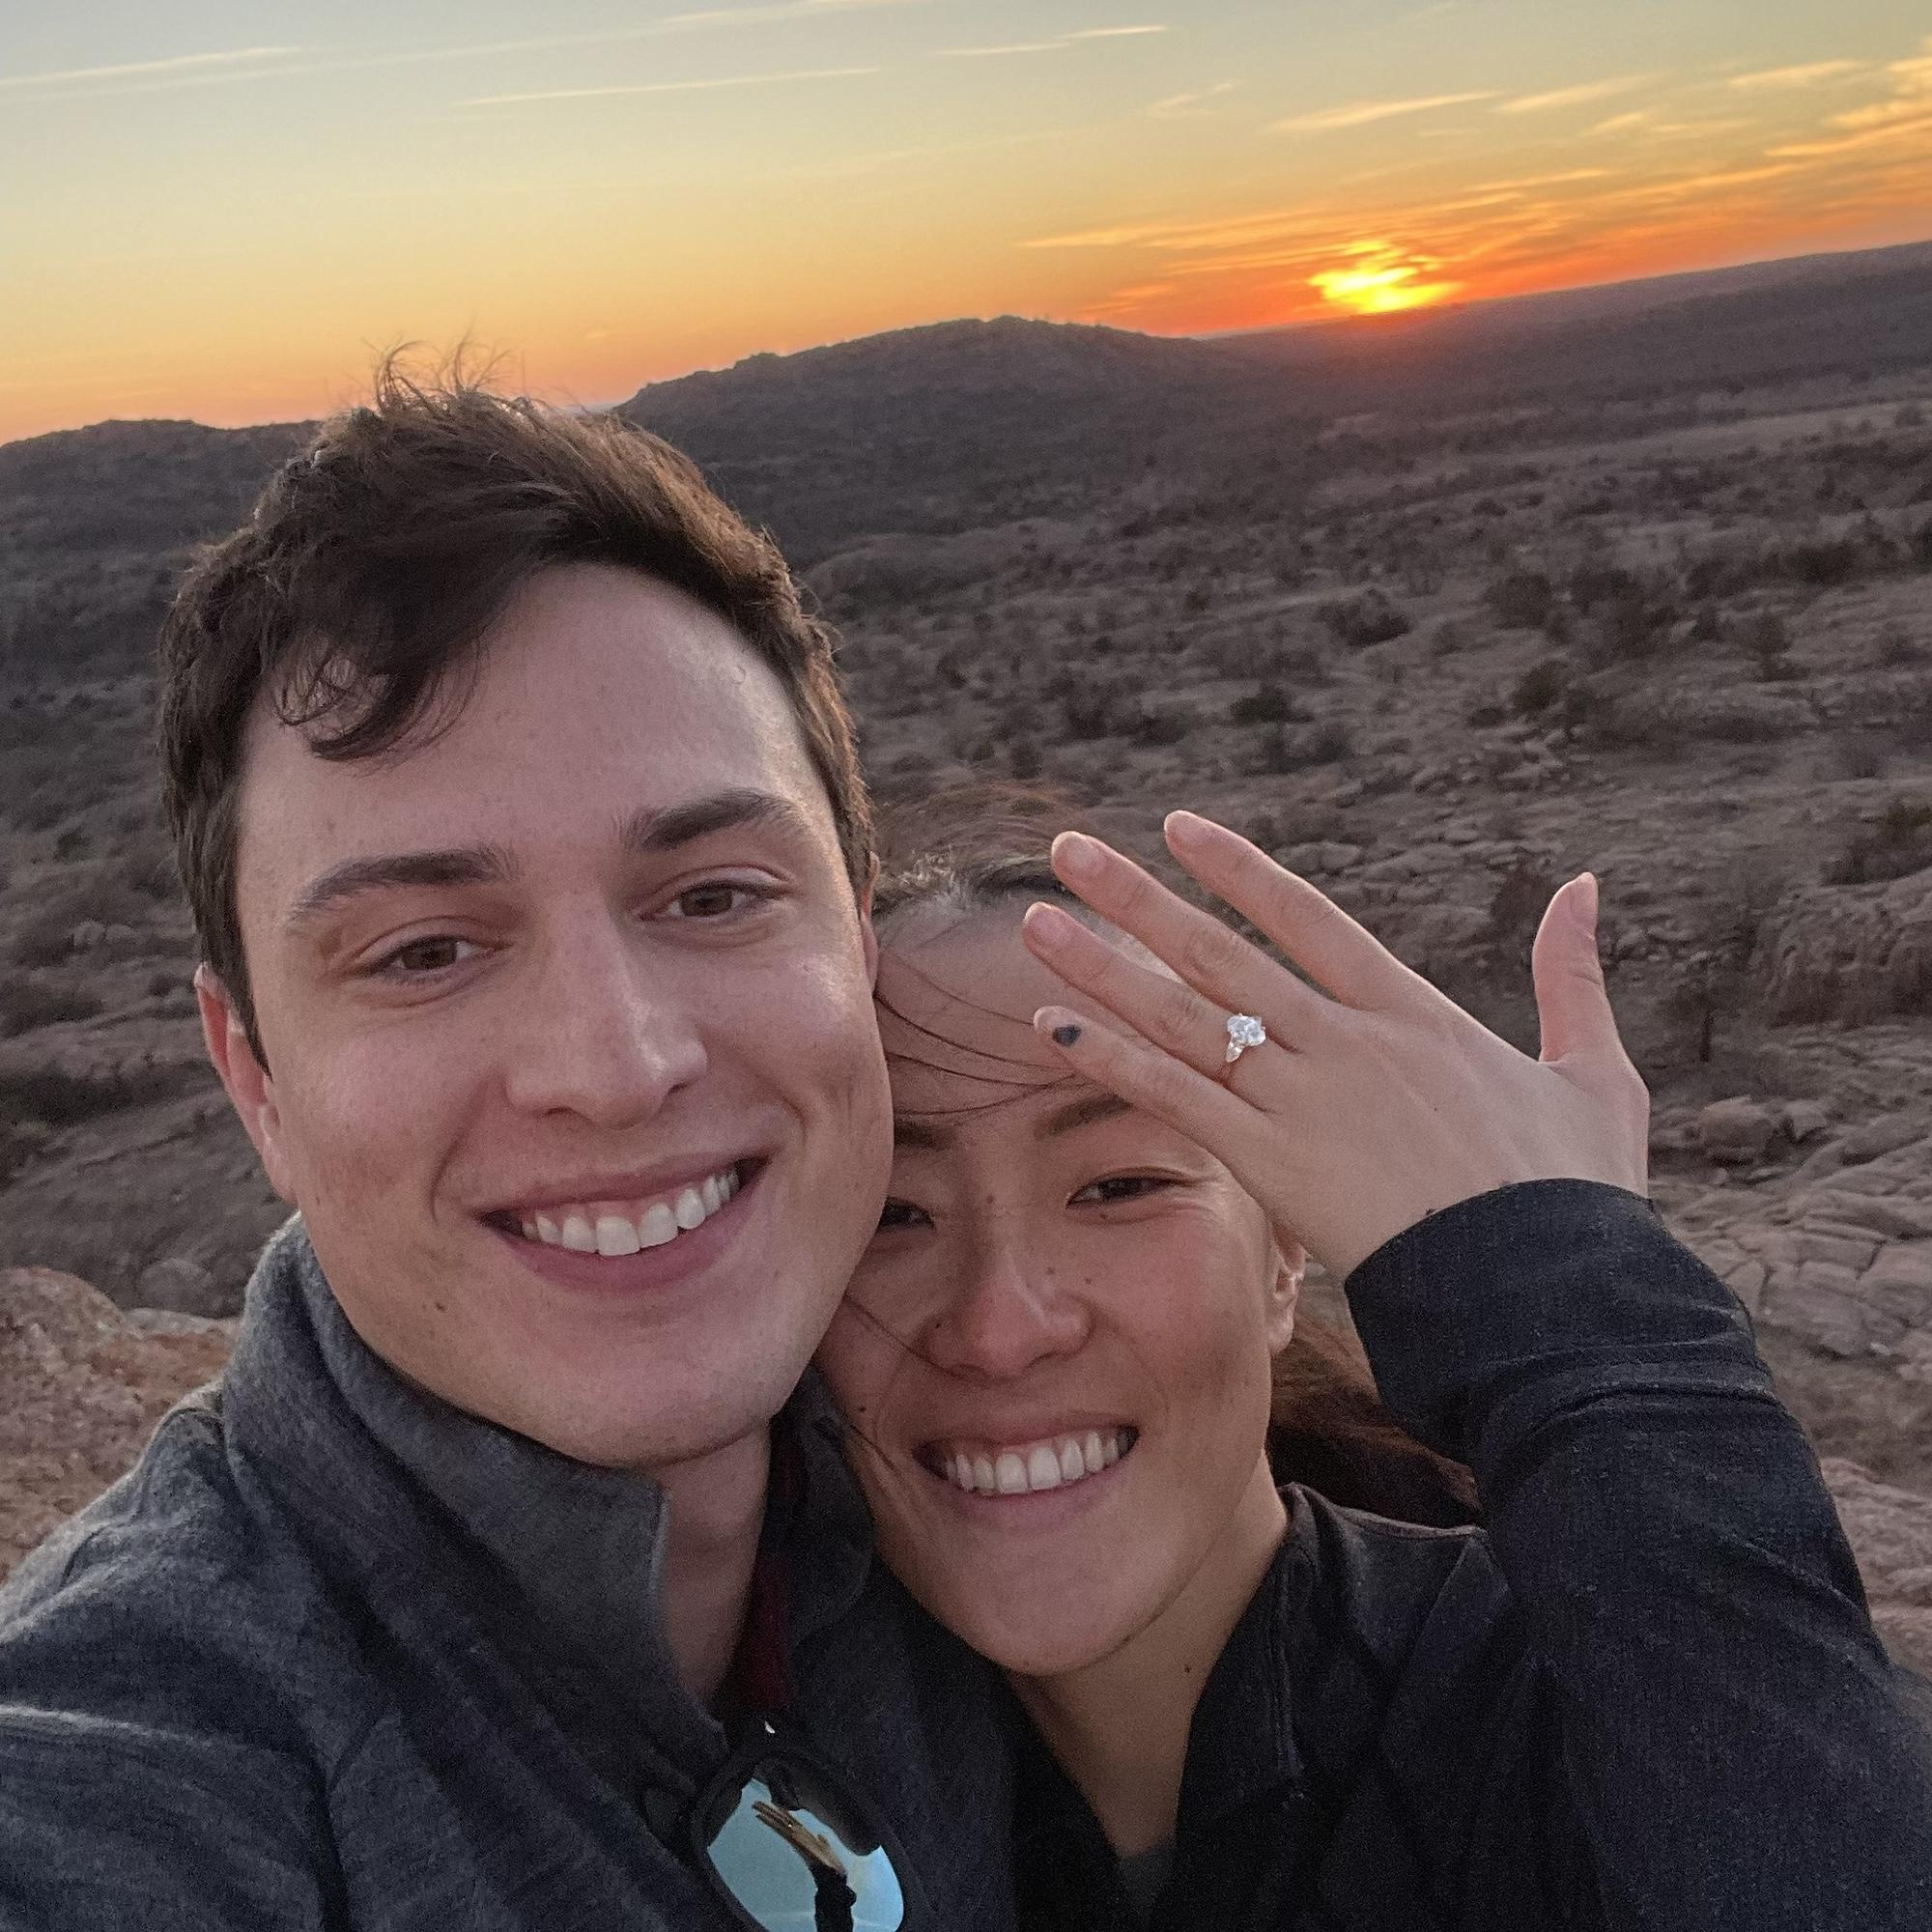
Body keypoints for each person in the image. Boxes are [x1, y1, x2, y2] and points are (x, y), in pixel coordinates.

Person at [0, 377, 1015, 1931]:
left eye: (714, 895)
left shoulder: (1013, 1462)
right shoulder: (134, 1752)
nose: (614, 1068)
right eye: (422, 953)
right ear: (253, 1075)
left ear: (856, 931)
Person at [814, 789, 1932, 1931]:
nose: (1000, 1328)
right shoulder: (778, 1797)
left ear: (1281, 1262)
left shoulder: (1572, 1715)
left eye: (1119, 1186)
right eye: (889, 1215)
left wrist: (1570, 1286)